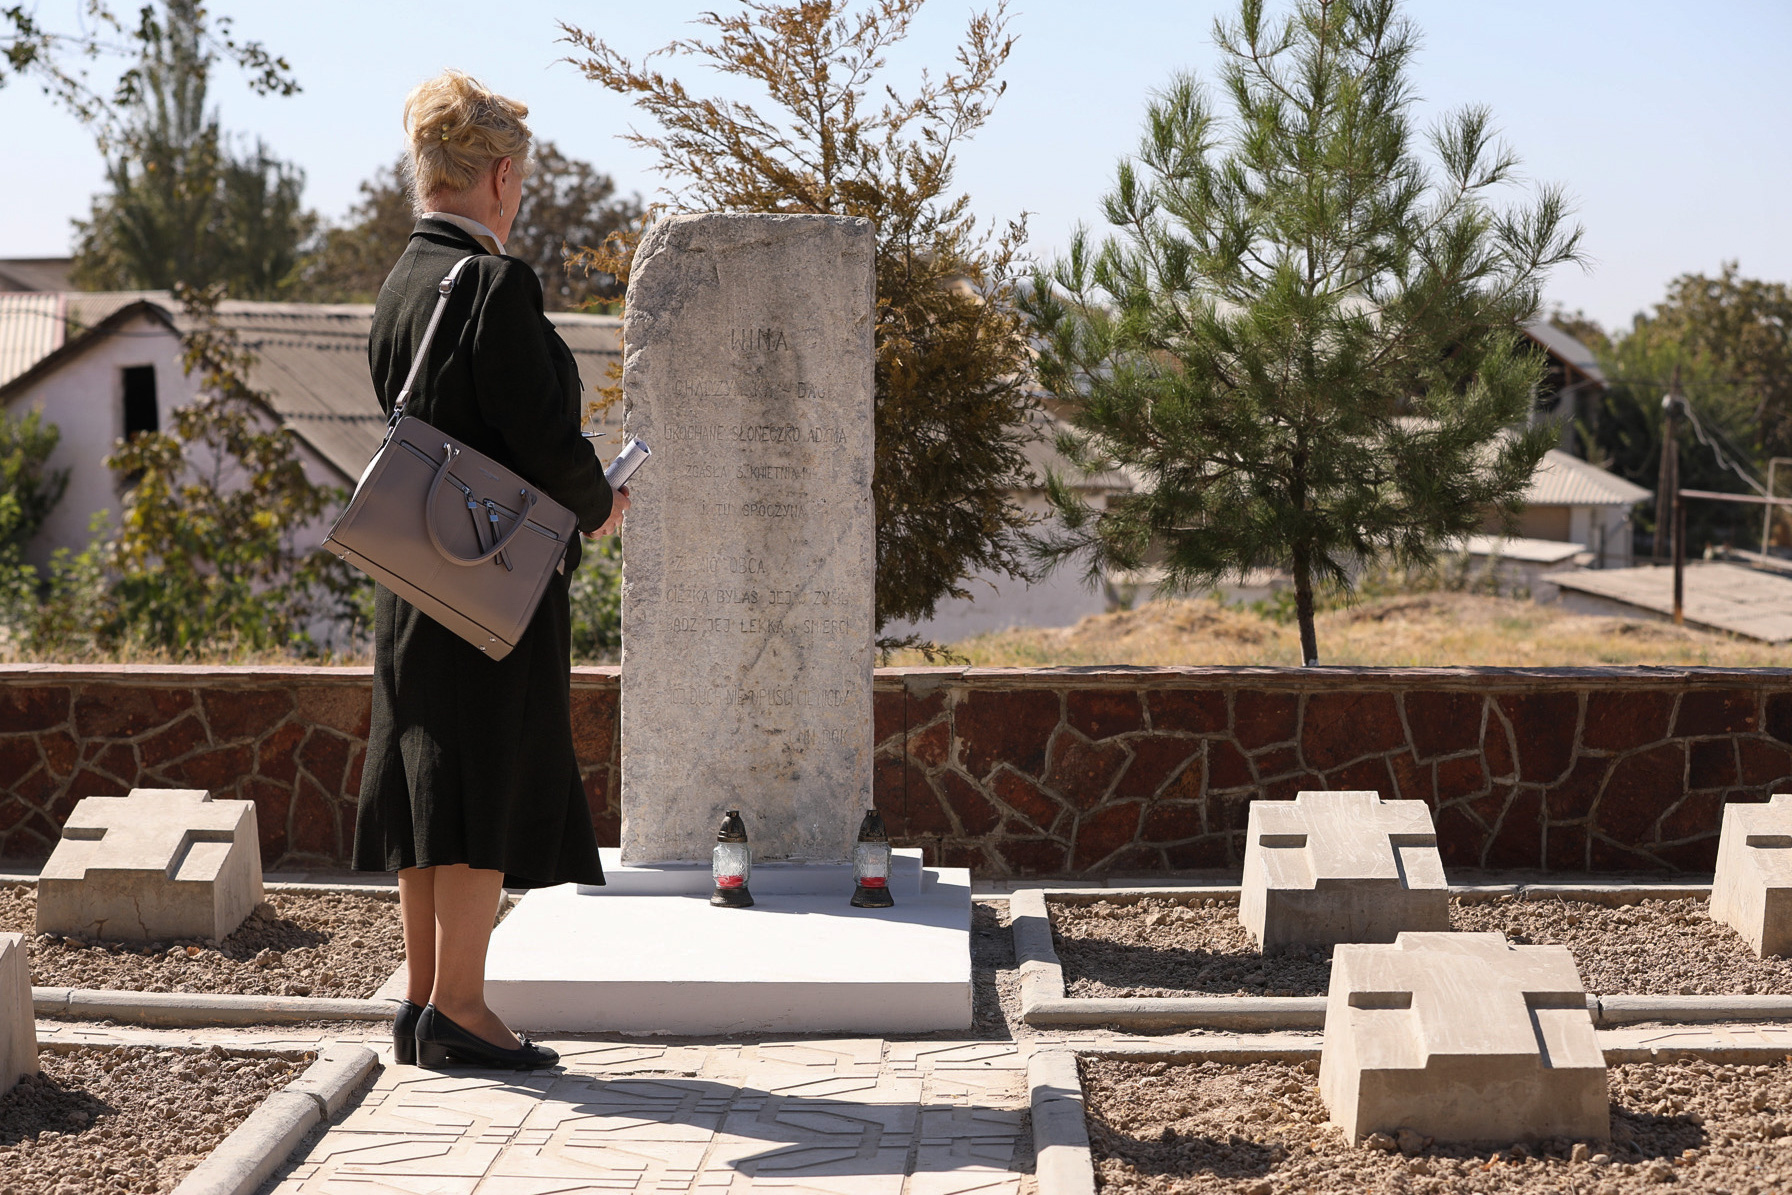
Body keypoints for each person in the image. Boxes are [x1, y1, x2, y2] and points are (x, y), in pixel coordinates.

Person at [351, 69, 629, 1070]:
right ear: (501, 176)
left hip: (412, 576)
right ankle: (464, 1007)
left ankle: (424, 998)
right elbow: (541, 436)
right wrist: (599, 501)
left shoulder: (401, 282)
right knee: (482, 776)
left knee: (429, 775)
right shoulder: (494, 285)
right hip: (488, 576)